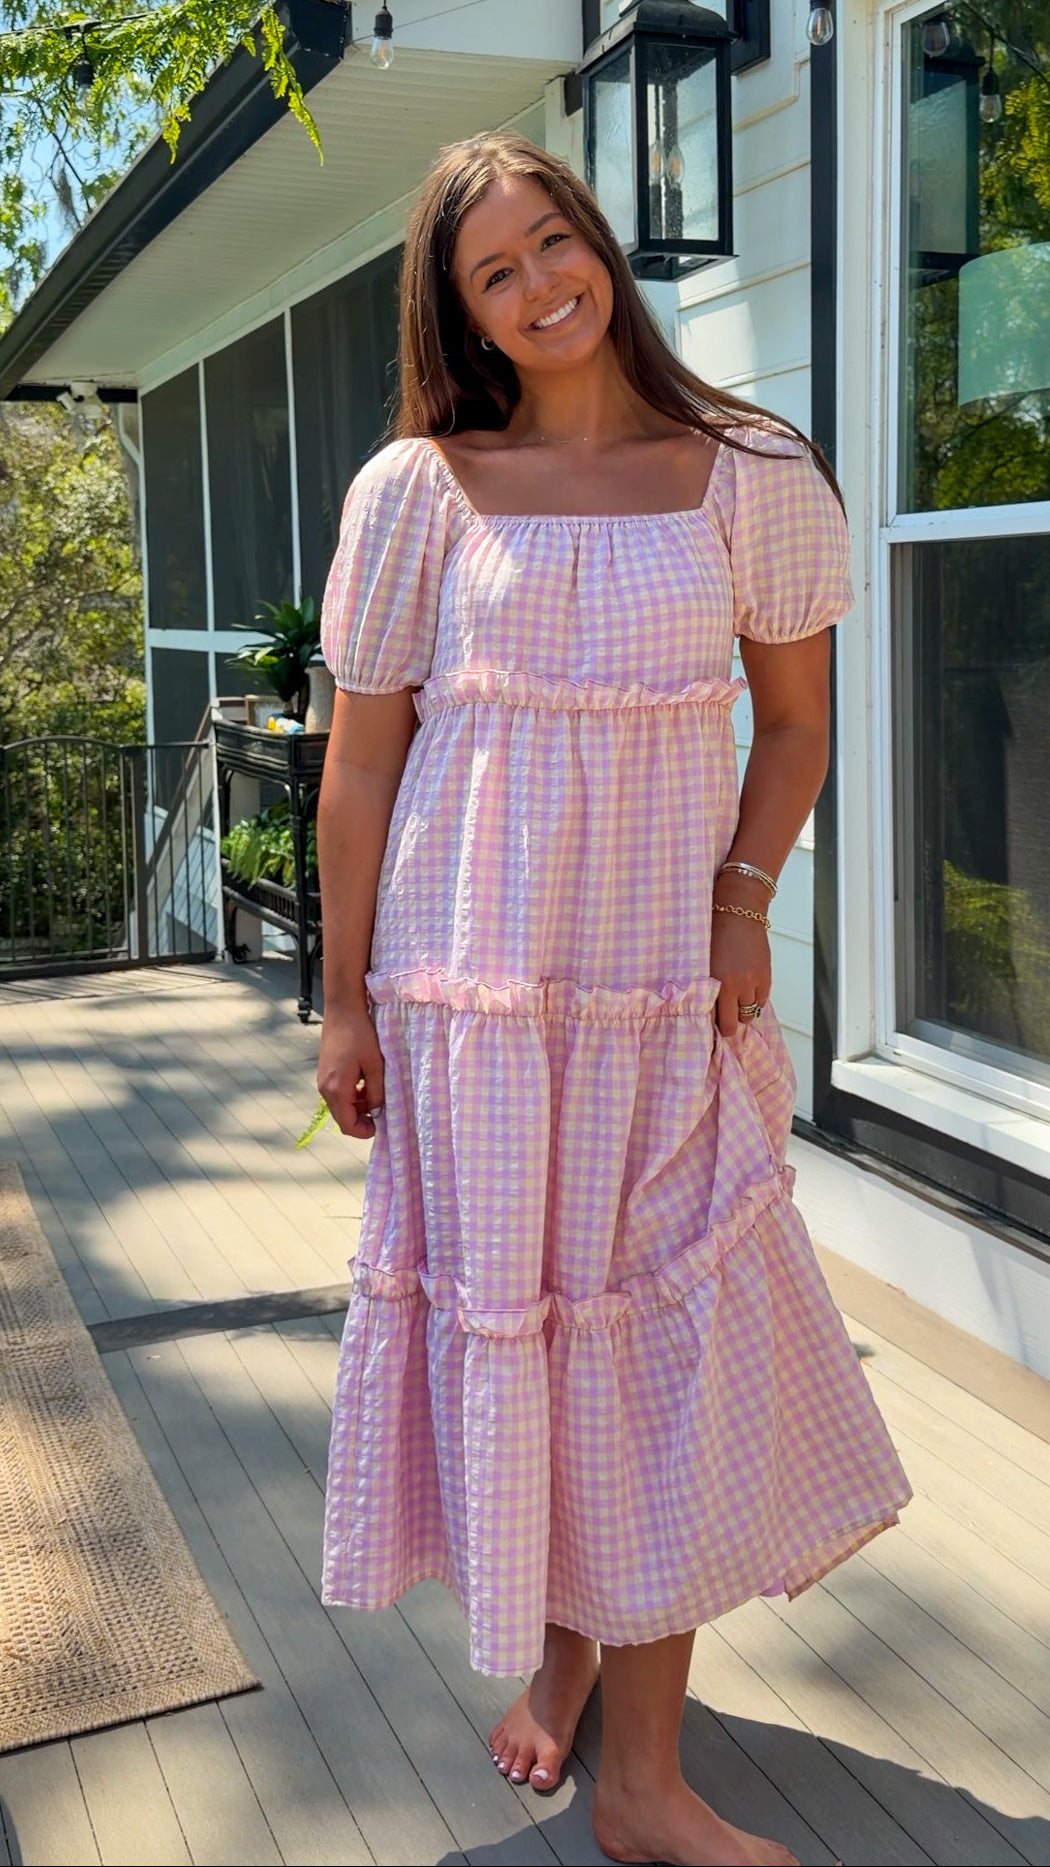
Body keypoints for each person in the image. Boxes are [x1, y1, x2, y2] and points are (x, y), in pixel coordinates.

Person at [315, 132, 911, 1867]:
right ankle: (564, 1658)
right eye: (492, 271)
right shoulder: (415, 492)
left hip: (665, 994)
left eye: (553, 240)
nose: (539, 284)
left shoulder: (744, 466)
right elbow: (362, 768)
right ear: (461, 312)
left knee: (662, 1346)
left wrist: (746, 904)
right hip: (475, 995)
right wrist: (344, 1006)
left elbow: (791, 723)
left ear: (599, 243)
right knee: (541, 1324)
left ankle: (640, 1790)